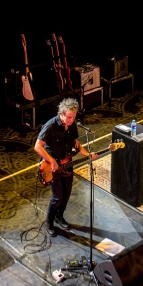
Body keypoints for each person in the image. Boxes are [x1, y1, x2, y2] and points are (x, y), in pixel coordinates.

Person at [34, 98, 97, 237]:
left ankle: (59, 216)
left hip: (67, 164)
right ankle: (49, 222)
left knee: (67, 193)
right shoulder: (50, 126)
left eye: (73, 117)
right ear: (61, 114)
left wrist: (87, 154)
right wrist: (51, 160)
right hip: (53, 167)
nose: (71, 120)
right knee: (57, 196)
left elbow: (76, 143)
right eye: (68, 117)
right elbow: (37, 146)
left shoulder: (72, 125)